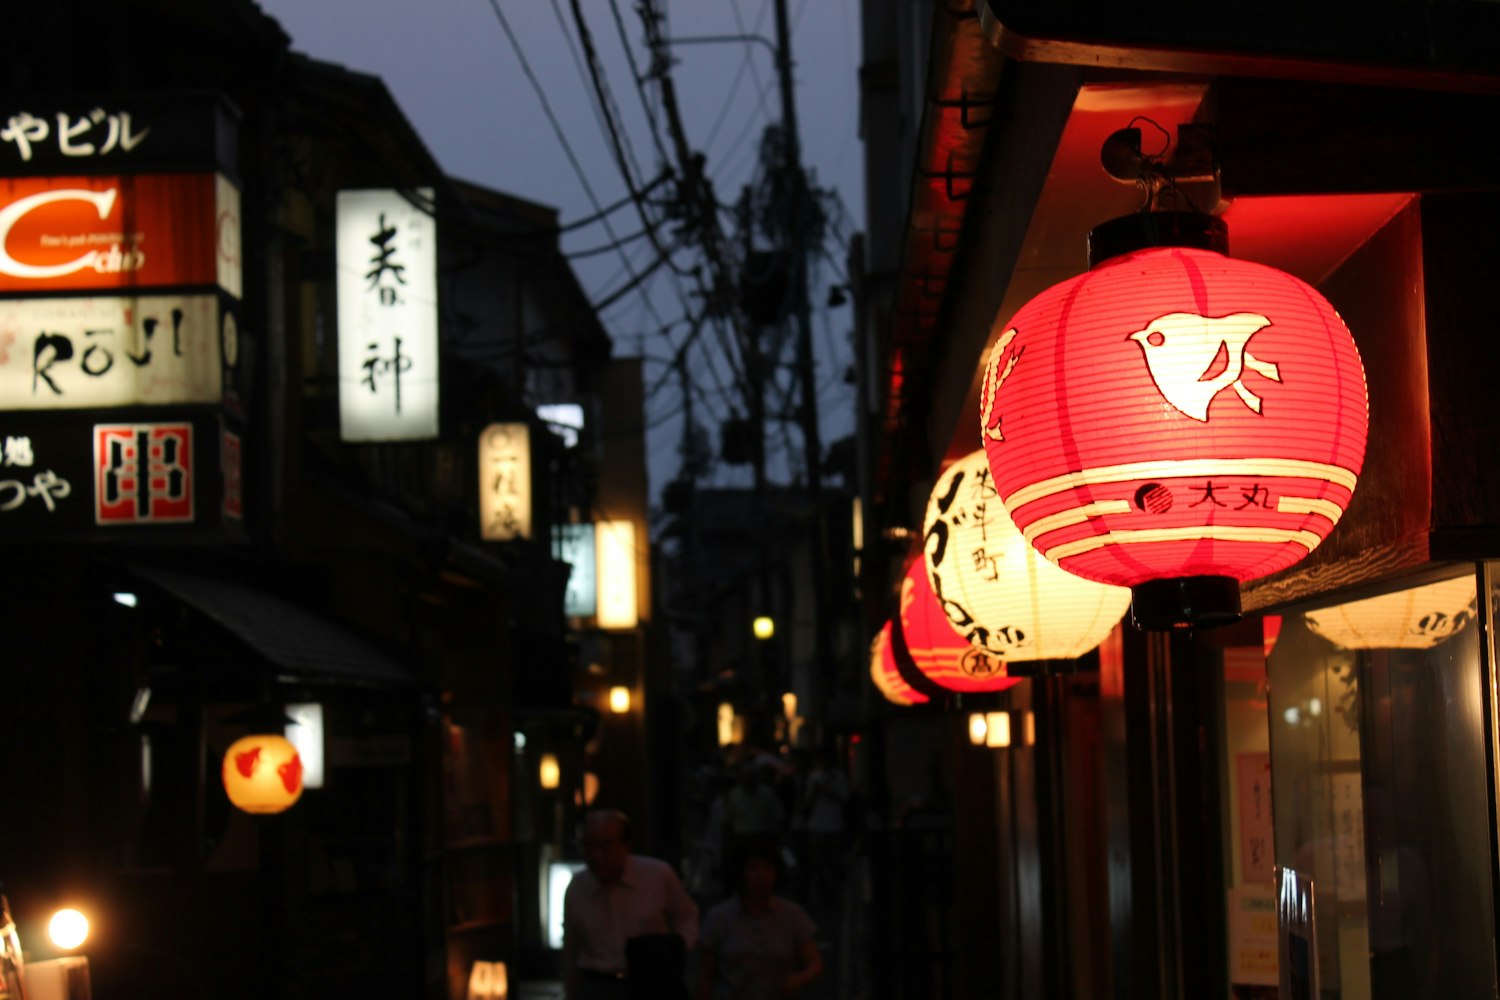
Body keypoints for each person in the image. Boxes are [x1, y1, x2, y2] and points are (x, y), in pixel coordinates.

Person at [562, 809, 700, 1000]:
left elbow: (687, 919)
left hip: (650, 985)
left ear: (626, 845)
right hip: (596, 984)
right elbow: (570, 948)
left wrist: (673, 952)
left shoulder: (657, 876)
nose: (597, 855)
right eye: (588, 846)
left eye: (605, 846)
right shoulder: (578, 887)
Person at [695, 840, 824, 1000]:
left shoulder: (792, 914)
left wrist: (798, 979)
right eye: (753, 868)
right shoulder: (718, 917)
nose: (761, 876)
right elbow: (705, 977)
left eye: (768, 868)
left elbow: (814, 962)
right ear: (740, 873)